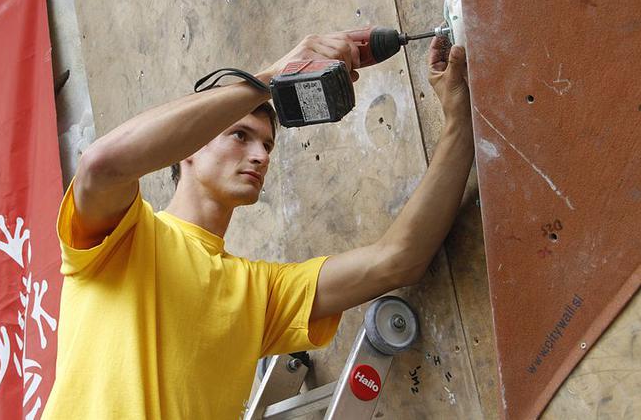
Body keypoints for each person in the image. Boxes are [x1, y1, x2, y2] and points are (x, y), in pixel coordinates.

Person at [42, 31, 474, 419]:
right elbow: (101, 165)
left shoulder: (258, 293)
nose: (262, 155)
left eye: (267, 144)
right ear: (189, 148)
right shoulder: (123, 237)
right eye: (239, 135)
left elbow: (397, 260)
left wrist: (460, 123)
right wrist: (269, 78)